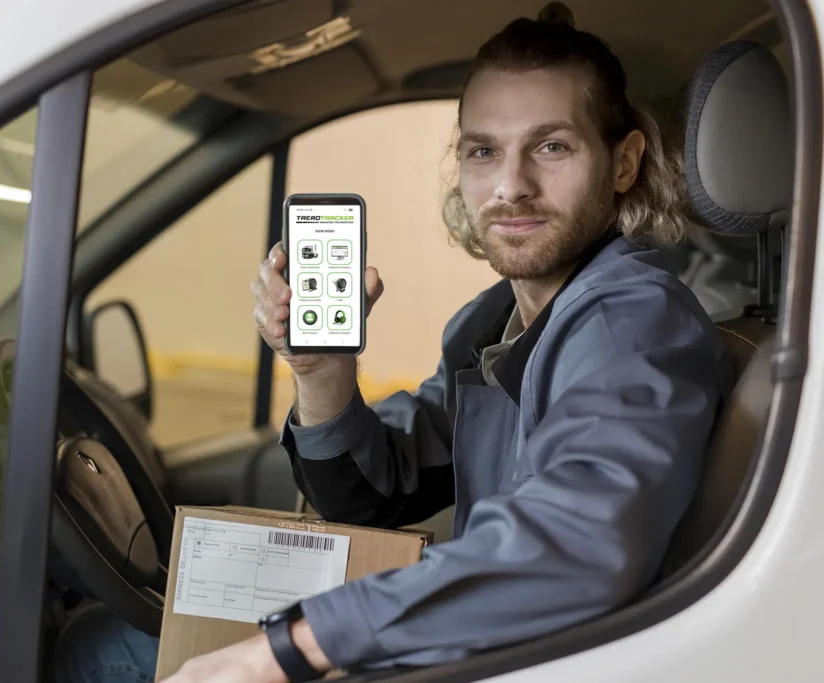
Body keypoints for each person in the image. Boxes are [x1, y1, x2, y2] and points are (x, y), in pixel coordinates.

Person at [56, 17, 734, 683]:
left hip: (532, 656)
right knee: (102, 633)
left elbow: (578, 544)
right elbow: (380, 492)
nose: (510, 185)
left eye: (551, 147)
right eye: (482, 151)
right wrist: (321, 370)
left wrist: (289, 647)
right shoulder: (496, 319)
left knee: (98, 654)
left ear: (624, 163)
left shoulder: (630, 322)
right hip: (484, 640)